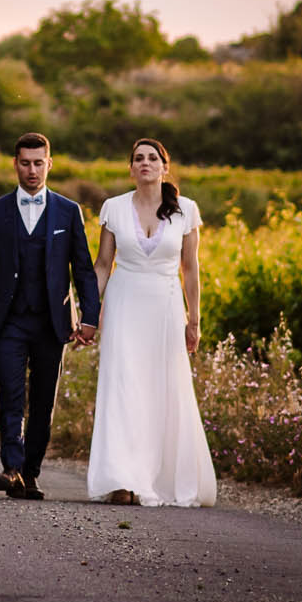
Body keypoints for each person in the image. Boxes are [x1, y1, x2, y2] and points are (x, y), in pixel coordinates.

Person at [0, 131, 100, 500]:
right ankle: (11, 467)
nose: (32, 170)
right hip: (8, 320)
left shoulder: (69, 212)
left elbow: (84, 269)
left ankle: (30, 473)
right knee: (10, 394)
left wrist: (90, 316)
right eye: (25, 163)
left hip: (53, 323)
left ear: (49, 164)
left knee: (43, 402)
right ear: (15, 164)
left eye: (39, 163)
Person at [85, 137, 218, 507]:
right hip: (124, 302)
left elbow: (190, 269)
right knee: (123, 386)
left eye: (152, 158)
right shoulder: (113, 207)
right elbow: (102, 266)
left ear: (164, 166)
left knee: (163, 388)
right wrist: (88, 314)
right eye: (138, 159)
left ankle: (160, 477)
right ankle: (124, 479)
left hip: (165, 305)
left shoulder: (186, 210)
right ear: (131, 168)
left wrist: (195, 320)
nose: (145, 163)